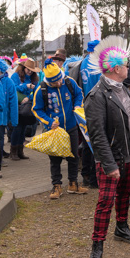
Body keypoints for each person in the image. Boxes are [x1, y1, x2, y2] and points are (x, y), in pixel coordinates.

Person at [83, 36, 130, 258]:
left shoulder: (124, 90)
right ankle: (97, 247)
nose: (129, 69)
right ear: (117, 69)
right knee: (105, 202)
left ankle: (122, 228)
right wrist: (109, 165)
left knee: (124, 195)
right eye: (126, 66)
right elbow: (97, 136)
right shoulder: (97, 96)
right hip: (112, 160)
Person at [31, 62, 86, 199]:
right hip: (54, 131)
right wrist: (49, 122)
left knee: (73, 156)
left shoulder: (69, 82)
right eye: (55, 82)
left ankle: (73, 184)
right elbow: (36, 110)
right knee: (55, 159)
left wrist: (78, 106)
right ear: (49, 82)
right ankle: (56, 186)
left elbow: (79, 94)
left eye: (60, 79)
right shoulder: (42, 89)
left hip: (71, 127)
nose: (59, 83)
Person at [78, 40, 101, 188]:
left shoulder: (82, 63)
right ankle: (94, 178)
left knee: (88, 141)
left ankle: (86, 174)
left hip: (84, 106)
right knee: (97, 142)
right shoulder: (97, 65)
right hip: (97, 106)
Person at [10, 57, 39, 159]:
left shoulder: (34, 79)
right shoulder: (15, 76)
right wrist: (25, 87)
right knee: (17, 128)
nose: (30, 72)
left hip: (26, 107)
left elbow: (37, 92)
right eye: (28, 69)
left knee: (23, 129)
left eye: (31, 70)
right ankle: (13, 151)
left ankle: (20, 151)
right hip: (16, 105)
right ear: (23, 68)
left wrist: (28, 98)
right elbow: (12, 88)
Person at [0, 57, 18, 160]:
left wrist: (14, 120)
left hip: (2, 117)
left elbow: (13, 103)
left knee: (0, 138)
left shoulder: (9, 82)